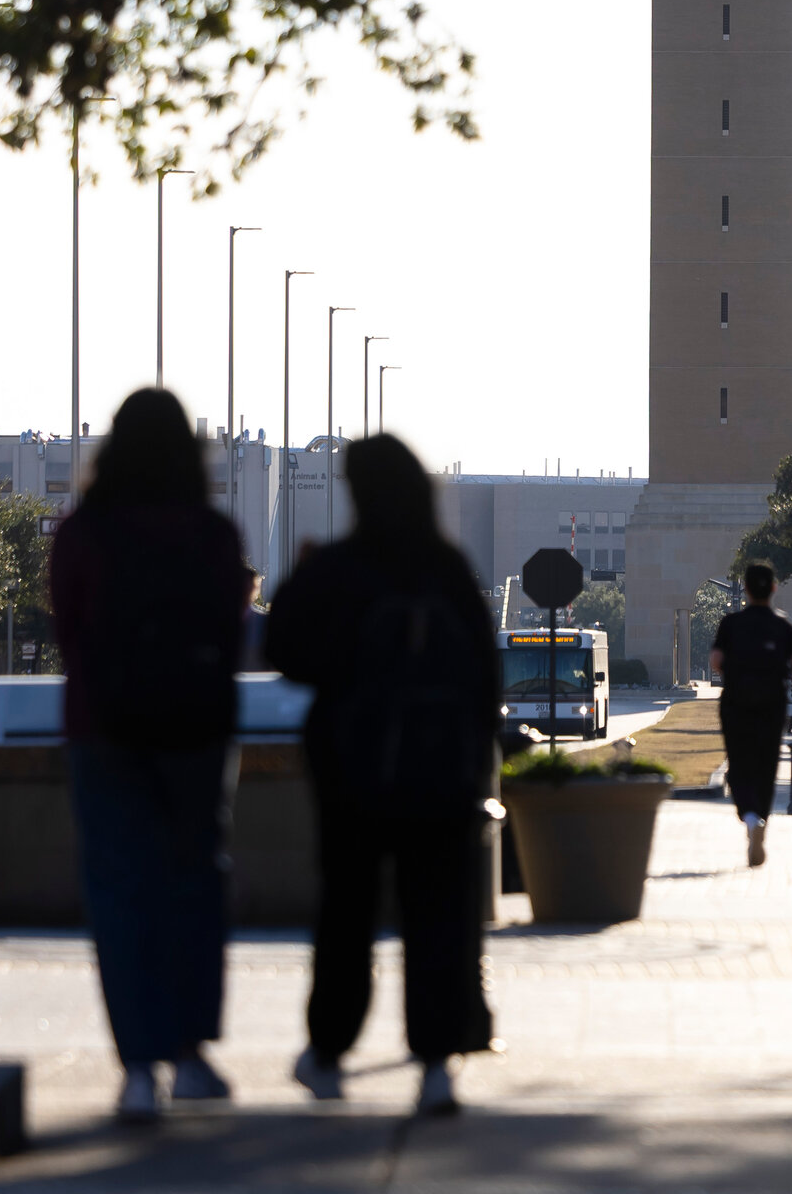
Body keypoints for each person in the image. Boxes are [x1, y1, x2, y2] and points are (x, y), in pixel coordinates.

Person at [265, 433, 498, 1118]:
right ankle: (435, 1063)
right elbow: (484, 676)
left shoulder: (337, 569)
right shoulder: (446, 568)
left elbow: (282, 650)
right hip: (441, 773)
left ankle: (330, 1053)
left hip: (351, 768)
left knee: (347, 913)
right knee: (438, 916)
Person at [50, 388, 251, 1122]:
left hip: (104, 728)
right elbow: (231, 638)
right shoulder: (212, 534)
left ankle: (138, 1067)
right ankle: (193, 1054)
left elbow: (69, 632)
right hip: (196, 730)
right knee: (195, 881)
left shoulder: (84, 532)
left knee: (119, 890)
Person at [709, 562, 792, 866]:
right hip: (772, 704)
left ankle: (750, 816)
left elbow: (716, 660)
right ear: (773, 589)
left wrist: (737, 666)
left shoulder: (730, 624)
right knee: (766, 765)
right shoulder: (785, 627)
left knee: (739, 764)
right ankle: (762, 821)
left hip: (735, 704)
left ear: (744, 589)